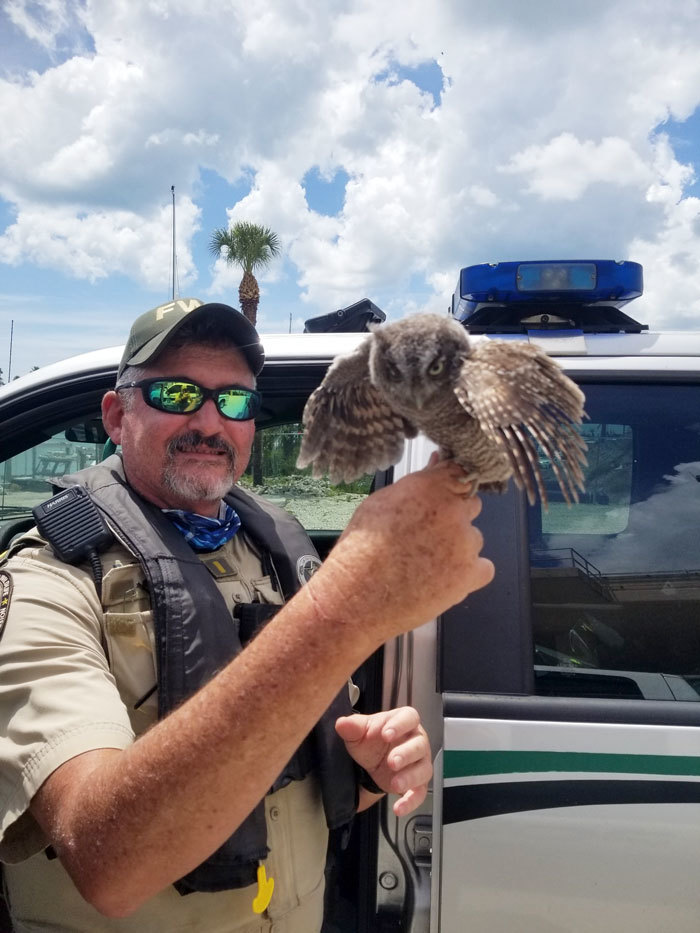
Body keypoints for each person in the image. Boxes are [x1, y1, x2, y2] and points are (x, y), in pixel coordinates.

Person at [0, 298, 494, 932]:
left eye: (234, 402)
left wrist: (373, 767)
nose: (209, 420)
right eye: (177, 394)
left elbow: (295, 772)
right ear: (117, 415)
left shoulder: (273, 553)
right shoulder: (50, 578)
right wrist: (341, 612)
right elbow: (107, 863)